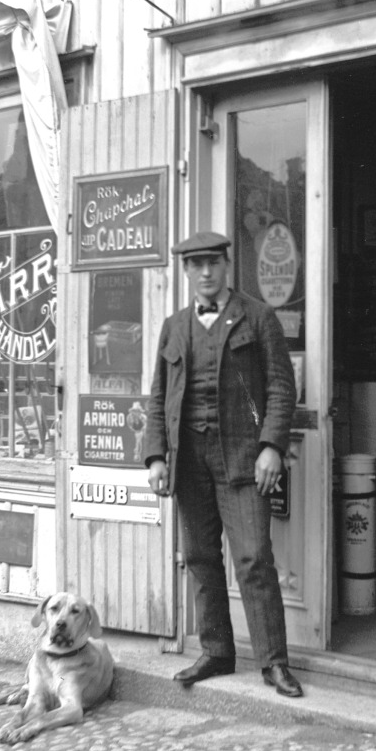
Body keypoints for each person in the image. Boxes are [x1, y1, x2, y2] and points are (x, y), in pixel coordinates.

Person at [142, 231, 303, 698]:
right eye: (197, 265)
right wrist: (156, 456)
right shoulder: (174, 327)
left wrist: (271, 446)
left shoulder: (258, 316)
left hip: (242, 458)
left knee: (254, 558)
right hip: (188, 461)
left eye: (213, 262)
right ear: (187, 272)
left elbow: (279, 386)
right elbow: (158, 397)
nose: (206, 272)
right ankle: (217, 651)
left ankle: (273, 662)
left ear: (227, 266)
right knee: (200, 557)